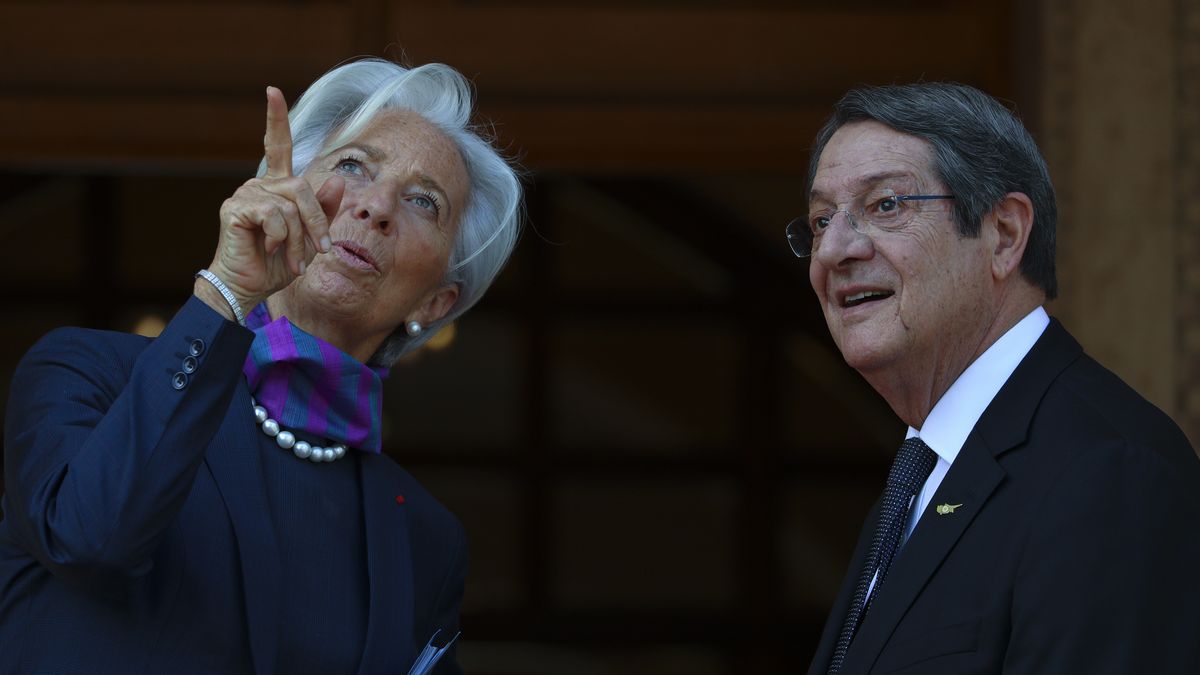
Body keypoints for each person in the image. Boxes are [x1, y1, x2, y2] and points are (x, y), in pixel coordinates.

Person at [0, 58, 521, 674]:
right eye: (352, 165)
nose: (376, 206)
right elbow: (91, 542)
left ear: (435, 302)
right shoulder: (89, 372)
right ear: (290, 196)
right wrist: (226, 290)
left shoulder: (424, 540)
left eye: (423, 202)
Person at [793, 83, 1200, 674]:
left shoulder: (1108, 471)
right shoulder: (923, 474)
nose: (833, 250)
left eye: (886, 206)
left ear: (1004, 233)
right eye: (821, 220)